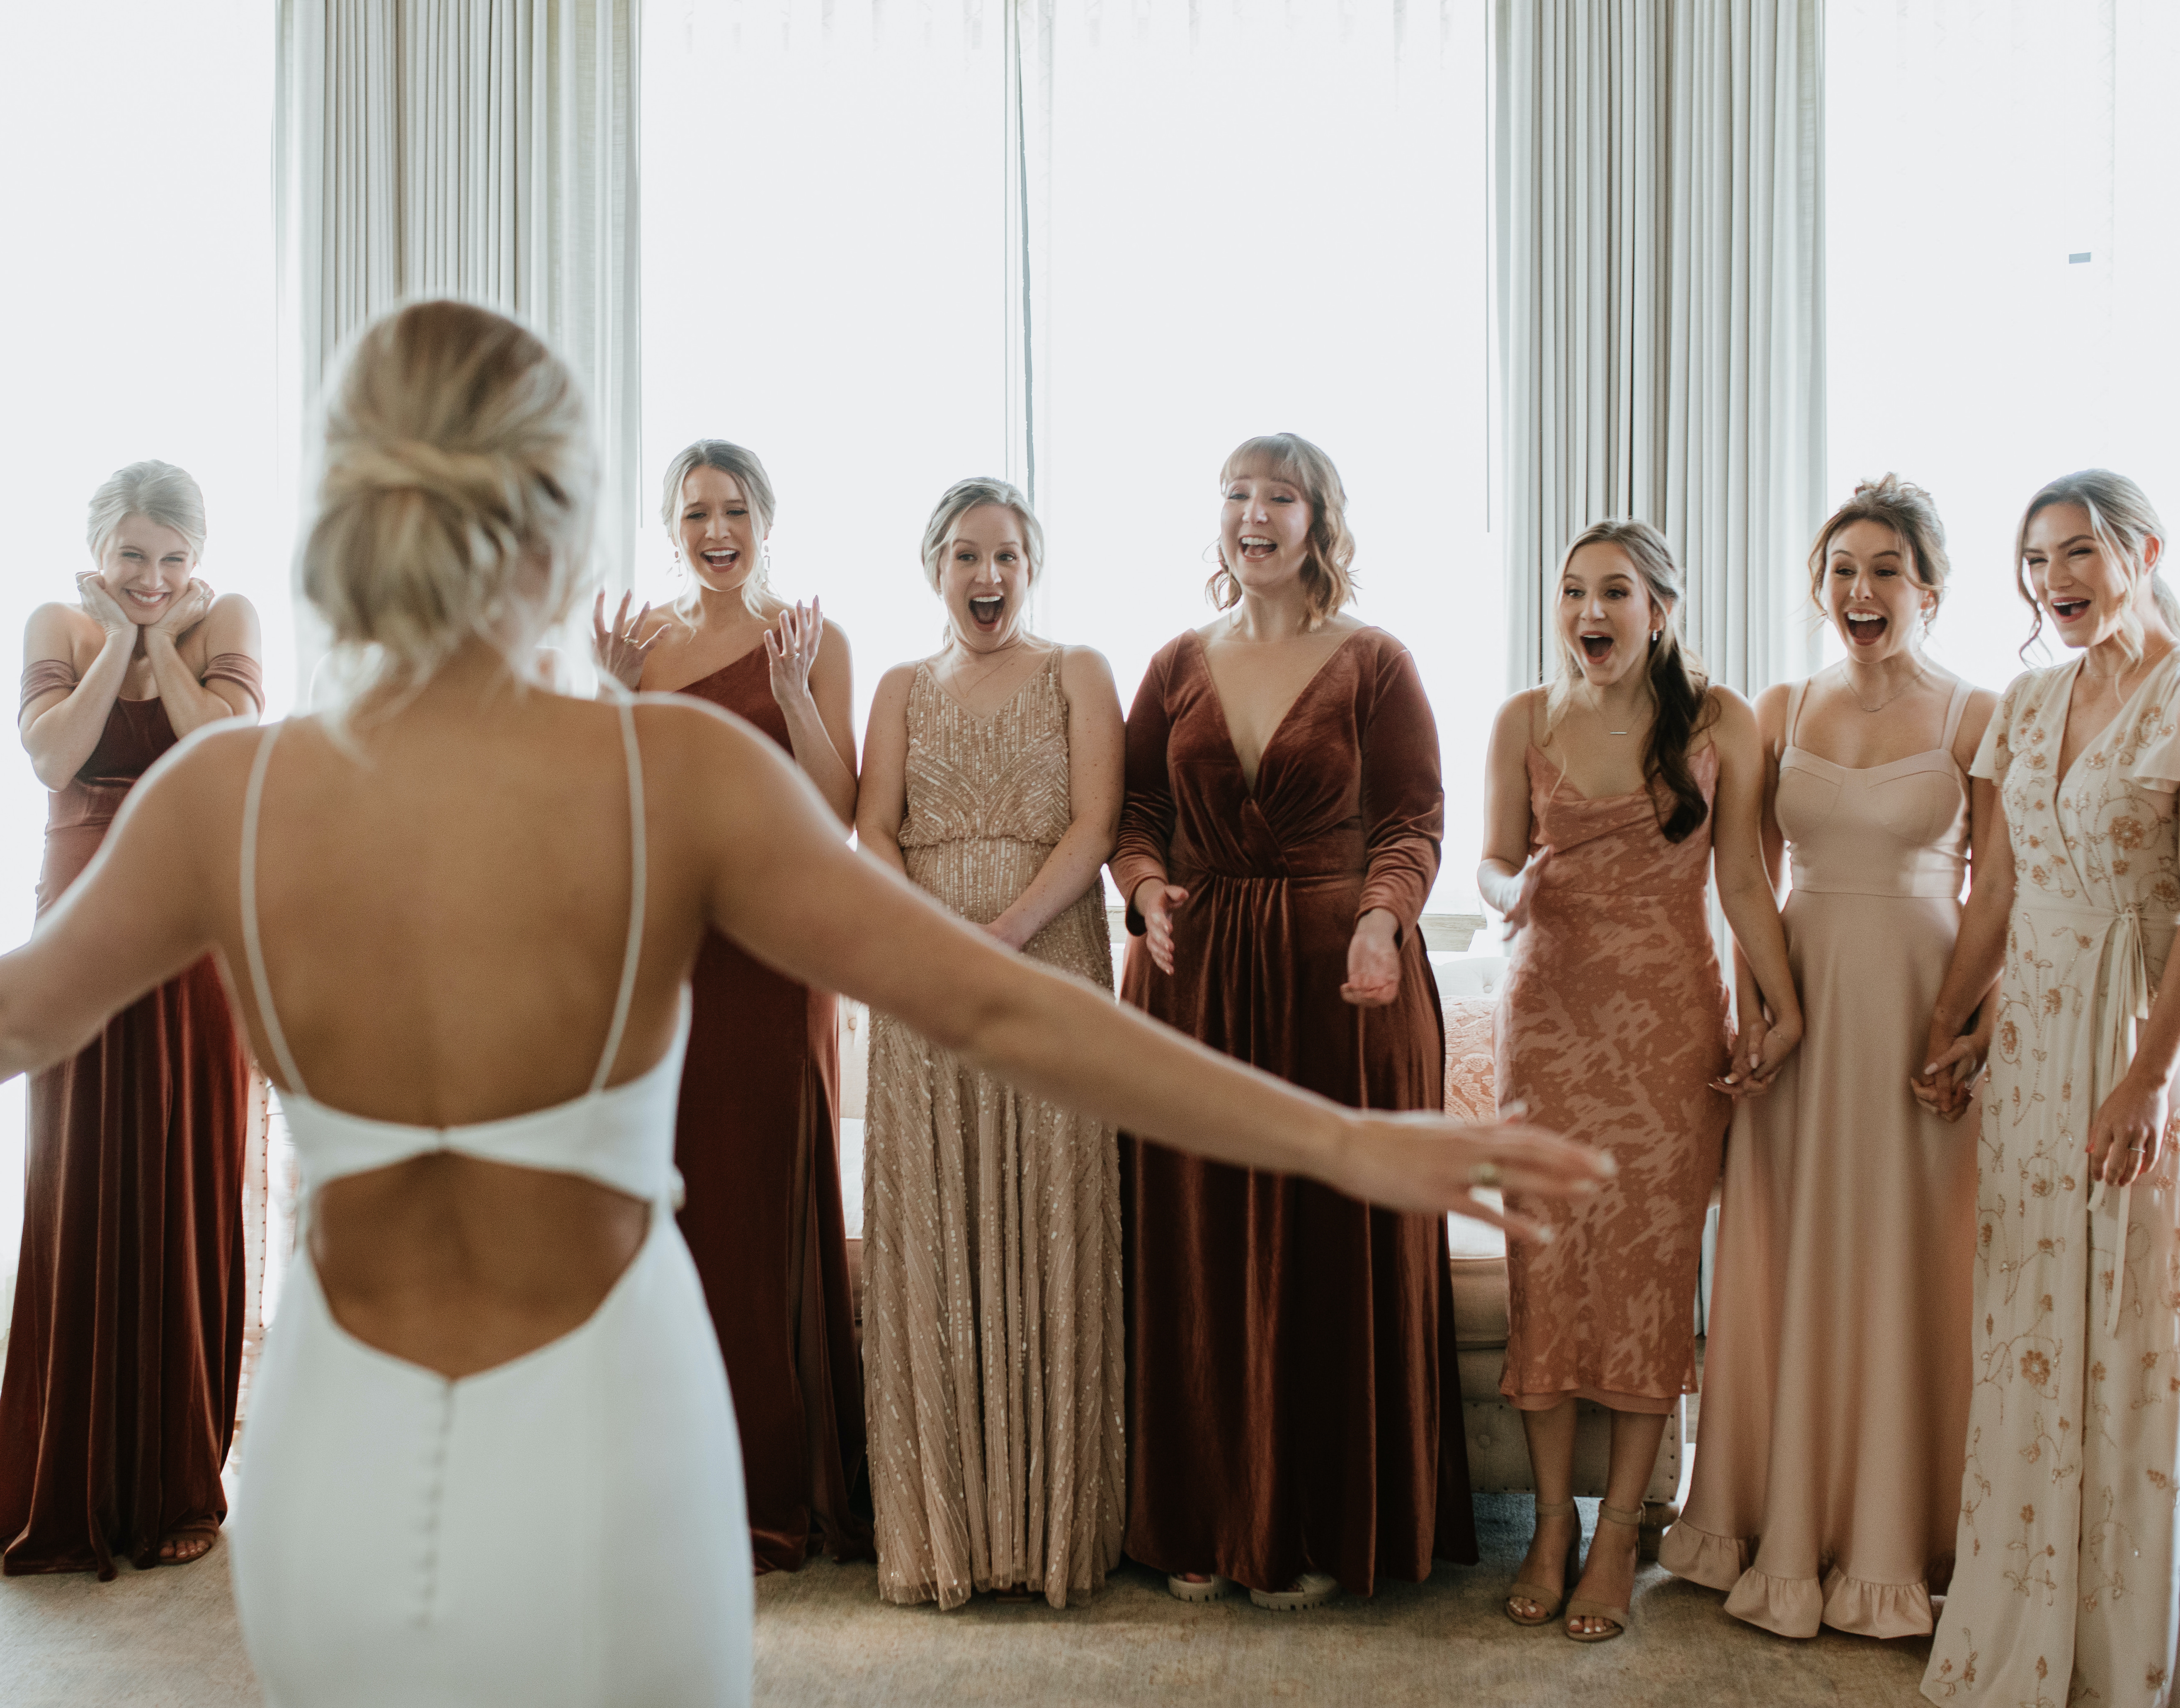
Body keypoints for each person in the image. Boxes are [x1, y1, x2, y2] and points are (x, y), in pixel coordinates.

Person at [0, 301, 1606, 1704]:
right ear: (564, 520)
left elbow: (15, 1017)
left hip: (330, 1462)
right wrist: (1345, 1138)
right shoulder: (670, 771)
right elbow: (1001, 1011)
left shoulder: (230, 793)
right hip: (607, 1451)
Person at [1114, 433, 1466, 1611]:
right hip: (1196, 986)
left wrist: (1381, 921)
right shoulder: (1173, 662)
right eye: (1234, 495)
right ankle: (1208, 1520)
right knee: (1199, 1246)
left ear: (1318, 521)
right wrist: (1148, 889)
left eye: (1277, 497)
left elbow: (1414, 819)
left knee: (1325, 1244)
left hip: (1338, 990)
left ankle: (1318, 1519)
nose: (1251, 514)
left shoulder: (1375, 662)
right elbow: (1138, 811)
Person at [1659, 476, 1993, 1638]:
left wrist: (1964, 1026)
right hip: (1801, 1014)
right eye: (1842, 569)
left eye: (1884, 569)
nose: (1860, 589)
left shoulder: (1974, 715)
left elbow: (1998, 891)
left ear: (1929, 590)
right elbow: (1740, 878)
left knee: (1913, 1258)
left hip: (1919, 1005)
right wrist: (1762, 1009)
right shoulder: (1779, 707)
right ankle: (1769, 1519)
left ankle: (1904, 1541)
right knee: (1789, 1252)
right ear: (1819, 587)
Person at [1478, 518, 1801, 1642]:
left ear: (1658, 609)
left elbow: (1749, 886)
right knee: (1549, 1268)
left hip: (1669, 1024)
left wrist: (1784, 1002)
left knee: (1648, 1278)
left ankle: (1620, 1528)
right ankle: (1550, 1529)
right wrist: (1504, 884)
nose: (1587, 612)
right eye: (1571, 592)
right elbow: (1489, 855)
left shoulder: (1720, 723)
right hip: (1550, 1021)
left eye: (1612, 592)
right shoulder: (1522, 718)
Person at [1918, 471, 2180, 1707]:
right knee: (2023, 1311)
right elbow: (1994, 895)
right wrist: (1947, 1024)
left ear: (2141, 551)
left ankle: (2114, 1647)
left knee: (2126, 1317)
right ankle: (2013, 1615)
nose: (2053, 581)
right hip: (2025, 1032)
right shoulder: (2022, 704)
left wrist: (2145, 1077)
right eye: (2033, 561)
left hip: (2135, 1026)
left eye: (2076, 553)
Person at [592, 440, 867, 1572]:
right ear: (669, 526)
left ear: (764, 520)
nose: (718, 527)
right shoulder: (640, 647)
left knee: (764, 1211)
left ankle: (773, 1489)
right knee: (676, 1213)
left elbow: (835, 811)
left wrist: (794, 691)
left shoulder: (814, 637)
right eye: (697, 510)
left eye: (735, 508)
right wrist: (609, 698)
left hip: (775, 952)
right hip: (672, 955)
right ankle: (669, 1493)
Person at [855, 477, 1126, 1609]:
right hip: (922, 988)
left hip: (1048, 969)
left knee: (1050, 1221)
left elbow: (1097, 826)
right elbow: (868, 827)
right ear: (934, 570)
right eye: (966, 556)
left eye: (1007, 556)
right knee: (939, 1235)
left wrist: (1005, 935)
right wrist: (932, 939)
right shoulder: (897, 688)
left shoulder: (1079, 673)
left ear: (1032, 567)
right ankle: (947, 1535)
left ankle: (1051, 1533)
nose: (988, 576)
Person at [0, 462, 263, 1577]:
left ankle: (172, 1478)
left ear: (193, 556)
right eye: (133, 558)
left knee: (188, 1177)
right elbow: (53, 755)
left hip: (198, 923)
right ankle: (72, 1480)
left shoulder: (228, 618)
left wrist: (160, 644)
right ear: (99, 551)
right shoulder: (56, 620)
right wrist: (117, 640)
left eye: (170, 559)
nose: (152, 577)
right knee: (82, 1175)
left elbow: (219, 753)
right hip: (80, 923)